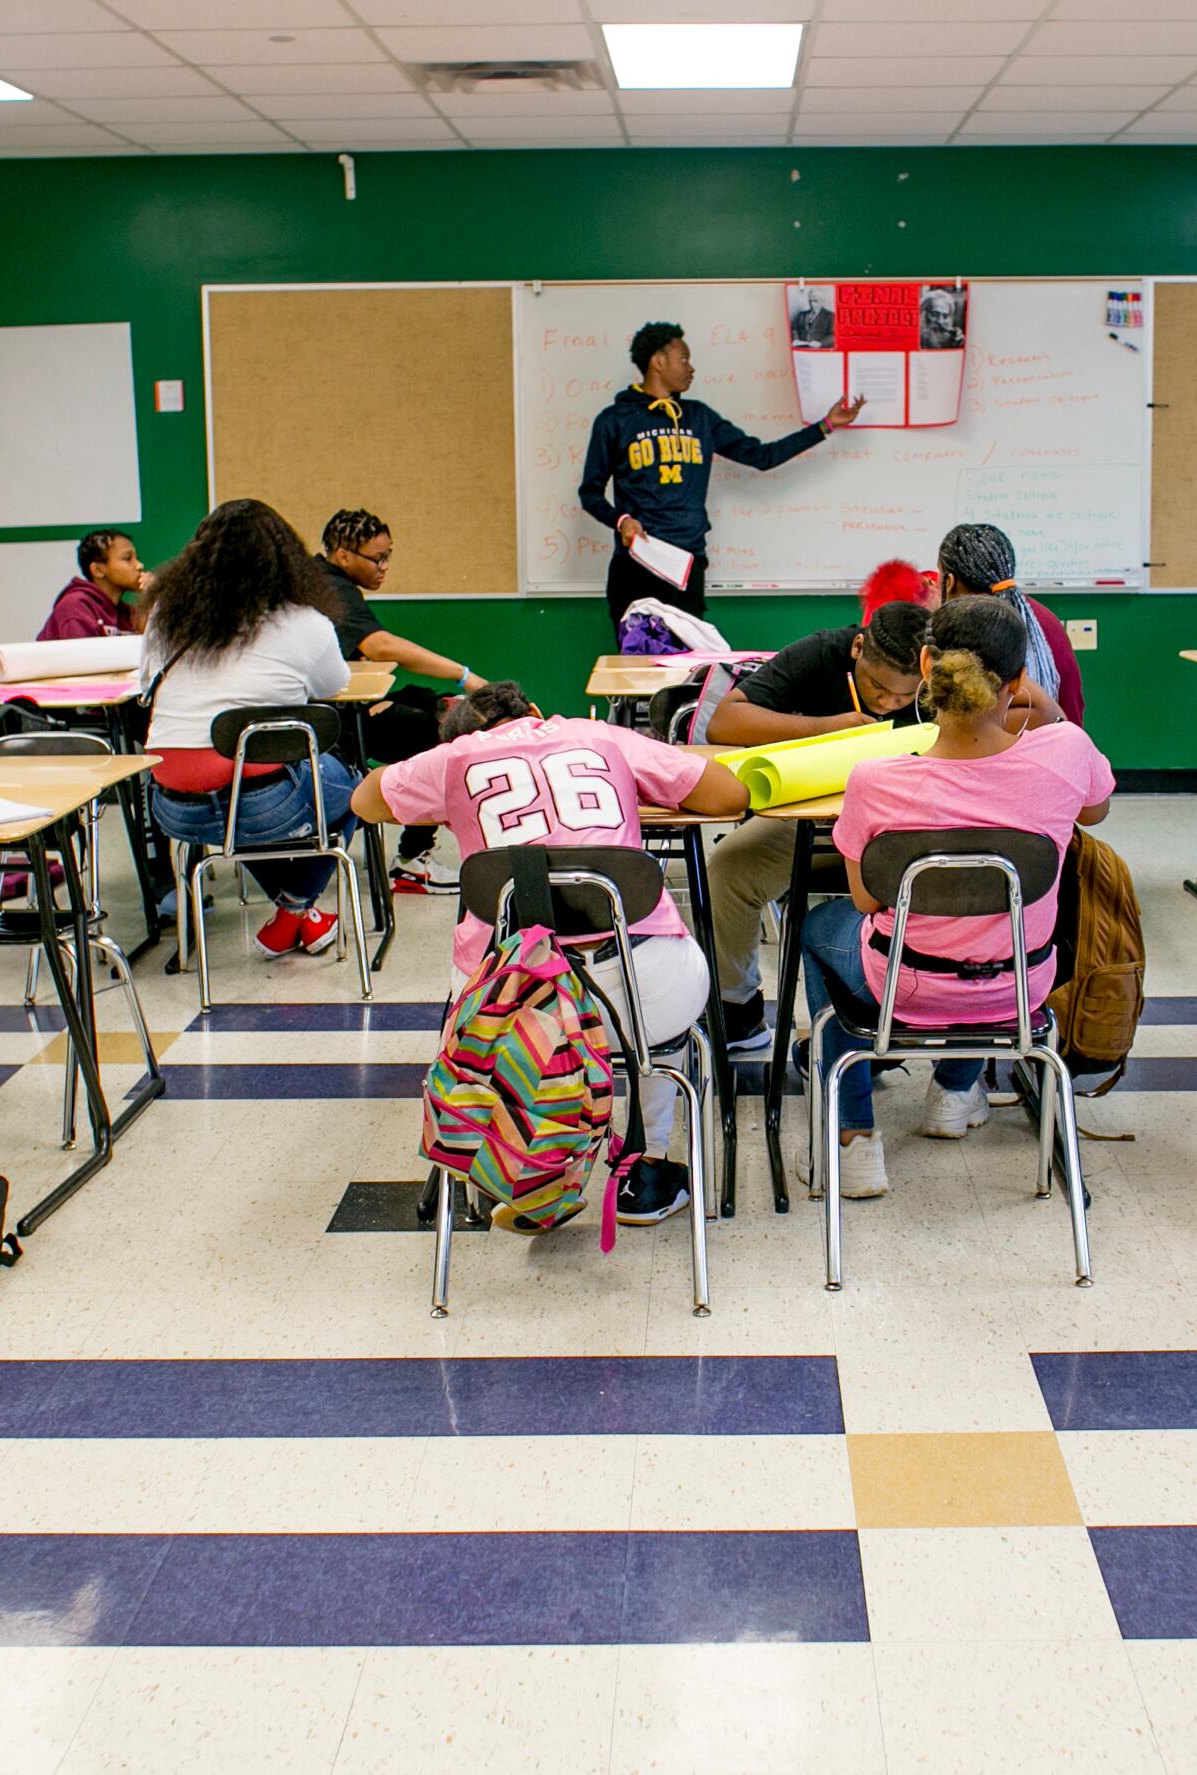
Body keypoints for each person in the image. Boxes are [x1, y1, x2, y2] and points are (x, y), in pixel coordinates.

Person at [355, 682, 750, 1229]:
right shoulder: (602, 736)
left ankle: (528, 1169)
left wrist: (442, 776)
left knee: (481, 994)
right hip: (640, 993)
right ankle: (647, 1168)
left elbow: (365, 799)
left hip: (512, 1016)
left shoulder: (450, 762)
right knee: (669, 1008)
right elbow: (730, 797)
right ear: (538, 712)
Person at [804, 593, 1115, 1200]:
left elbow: (868, 903)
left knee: (821, 932)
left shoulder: (875, 779)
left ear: (925, 666)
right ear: (1017, 680)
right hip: (1019, 989)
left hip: (906, 985)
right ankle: (952, 1092)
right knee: (990, 927)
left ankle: (855, 1138)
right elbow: (1096, 809)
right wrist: (1051, 713)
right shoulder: (1066, 753)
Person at [702, 599, 934, 1052]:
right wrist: (826, 729)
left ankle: (897, 1015)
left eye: (905, 697)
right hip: (816, 822)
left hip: (905, 828)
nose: (888, 703)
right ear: (858, 648)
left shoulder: (942, 679)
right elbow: (724, 722)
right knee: (728, 867)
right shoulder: (821, 652)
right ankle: (738, 1010)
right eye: (877, 687)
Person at [141, 499, 356, 959]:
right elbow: (335, 685)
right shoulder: (306, 622)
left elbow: (144, 686)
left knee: (255, 796)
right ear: (285, 561)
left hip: (173, 808)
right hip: (266, 804)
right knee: (353, 790)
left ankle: (298, 917)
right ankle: (297, 910)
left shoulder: (166, 616)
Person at [579, 320, 865, 628]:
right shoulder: (614, 421)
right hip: (636, 564)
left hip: (687, 564)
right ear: (658, 362)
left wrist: (825, 426)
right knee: (636, 665)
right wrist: (621, 521)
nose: (691, 368)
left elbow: (762, 456)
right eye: (684, 359)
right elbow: (589, 492)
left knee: (686, 669)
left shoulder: (699, 417)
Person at [319, 507, 482, 892]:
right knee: (437, 730)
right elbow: (379, 646)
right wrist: (465, 674)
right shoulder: (328, 587)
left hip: (347, 707)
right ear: (343, 555)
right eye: (377, 558)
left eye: (387, 556)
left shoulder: (329, 583)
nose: (384, 567)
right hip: (331, 724)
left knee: (442, 706)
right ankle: (412, 861)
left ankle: (416, 854)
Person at [937, 522, 1082, 727]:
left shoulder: (961, 629)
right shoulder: (1045, 618)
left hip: (996, 750)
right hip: (1062, 742)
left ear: (949, 581)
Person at [39, 528, 149, 641]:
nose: (140, 565)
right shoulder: (75, 605)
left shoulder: (128, 614)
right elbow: (84, 657)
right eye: (127, 558)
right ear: (98, 570)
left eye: (137, 558)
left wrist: (154, 596)